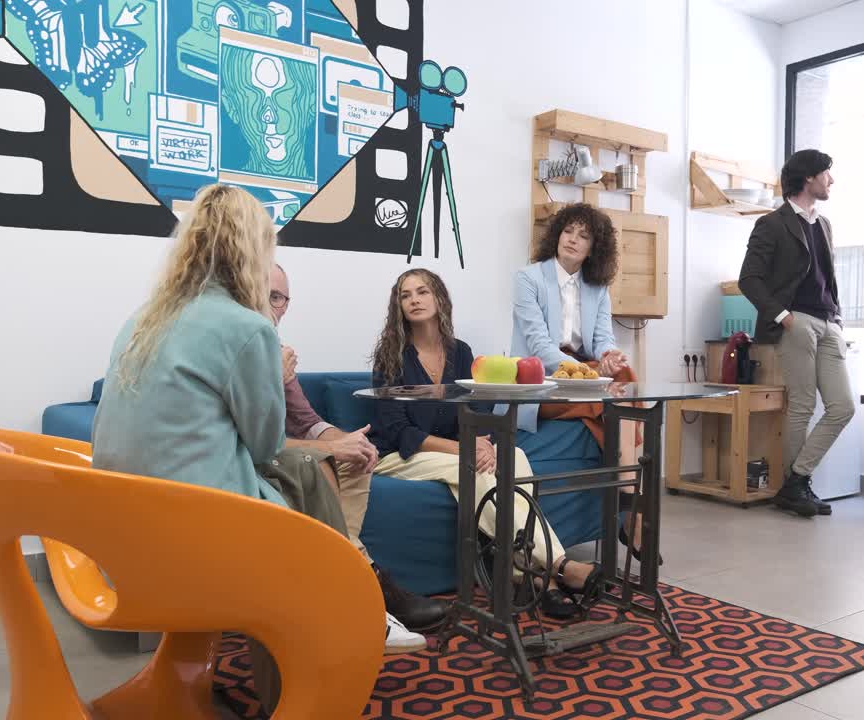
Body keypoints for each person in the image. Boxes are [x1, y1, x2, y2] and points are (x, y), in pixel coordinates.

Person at [90, 183, 425, 653]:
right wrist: (272, 377)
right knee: (304, 471)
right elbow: (266, 446)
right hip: (197, 534)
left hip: (116, 535)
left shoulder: (143, 319)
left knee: (306, 468)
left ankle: (355, 595)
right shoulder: (246, 328)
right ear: (254, 252)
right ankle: (349, 608)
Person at [369, 269, 601, 620]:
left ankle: (526, 574)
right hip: (400, 456)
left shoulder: (461, 353)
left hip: (450, 450)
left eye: (422, 291)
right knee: (472, 471)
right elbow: (400, 431)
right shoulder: (390, 356)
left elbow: (476, 409)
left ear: (439, 299)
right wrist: (465, 450)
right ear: (398, 305)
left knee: (516, 456)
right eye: (405, 295)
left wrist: (484, 443)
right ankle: (558, 567)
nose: (414, 299)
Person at [266, 263, 447, 631]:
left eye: (276, 297)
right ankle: (368, 583)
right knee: (316, 463)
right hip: (254, 454)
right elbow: (251, 434)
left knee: (355, 455)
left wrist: (344, 437)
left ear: (286, 305)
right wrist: (274, 377)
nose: (267, 305)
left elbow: (306, 419)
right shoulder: (244, 347)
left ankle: (346, 575)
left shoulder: (278, 350)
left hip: (280, 446)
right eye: (260, 293)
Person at [509, 202, 650, 558]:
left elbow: (602, 338)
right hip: (540, 377)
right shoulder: (529, 278)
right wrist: (588, 373)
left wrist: (608, 357)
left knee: (626, 375)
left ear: (594, 248)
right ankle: (632, 508)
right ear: (556, 235)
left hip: (581, 375)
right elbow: (540, 346)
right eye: (568, 231)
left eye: (583, 235)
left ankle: (629, 504)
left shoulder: (597, 288)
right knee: (615, 403)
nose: (573, 239)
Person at [738, 149, 854, 518]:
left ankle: (794, 481)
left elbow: (827, 279)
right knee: (802, 406)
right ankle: (798, 486)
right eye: (827, 174)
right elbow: (749, 279)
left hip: (829, 323)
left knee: (842, 407)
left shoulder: (824, 224)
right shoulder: (772, 224)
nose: (831, 180)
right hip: (797, 323)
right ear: (808, 178)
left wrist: (837, 319)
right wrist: (786, 318)